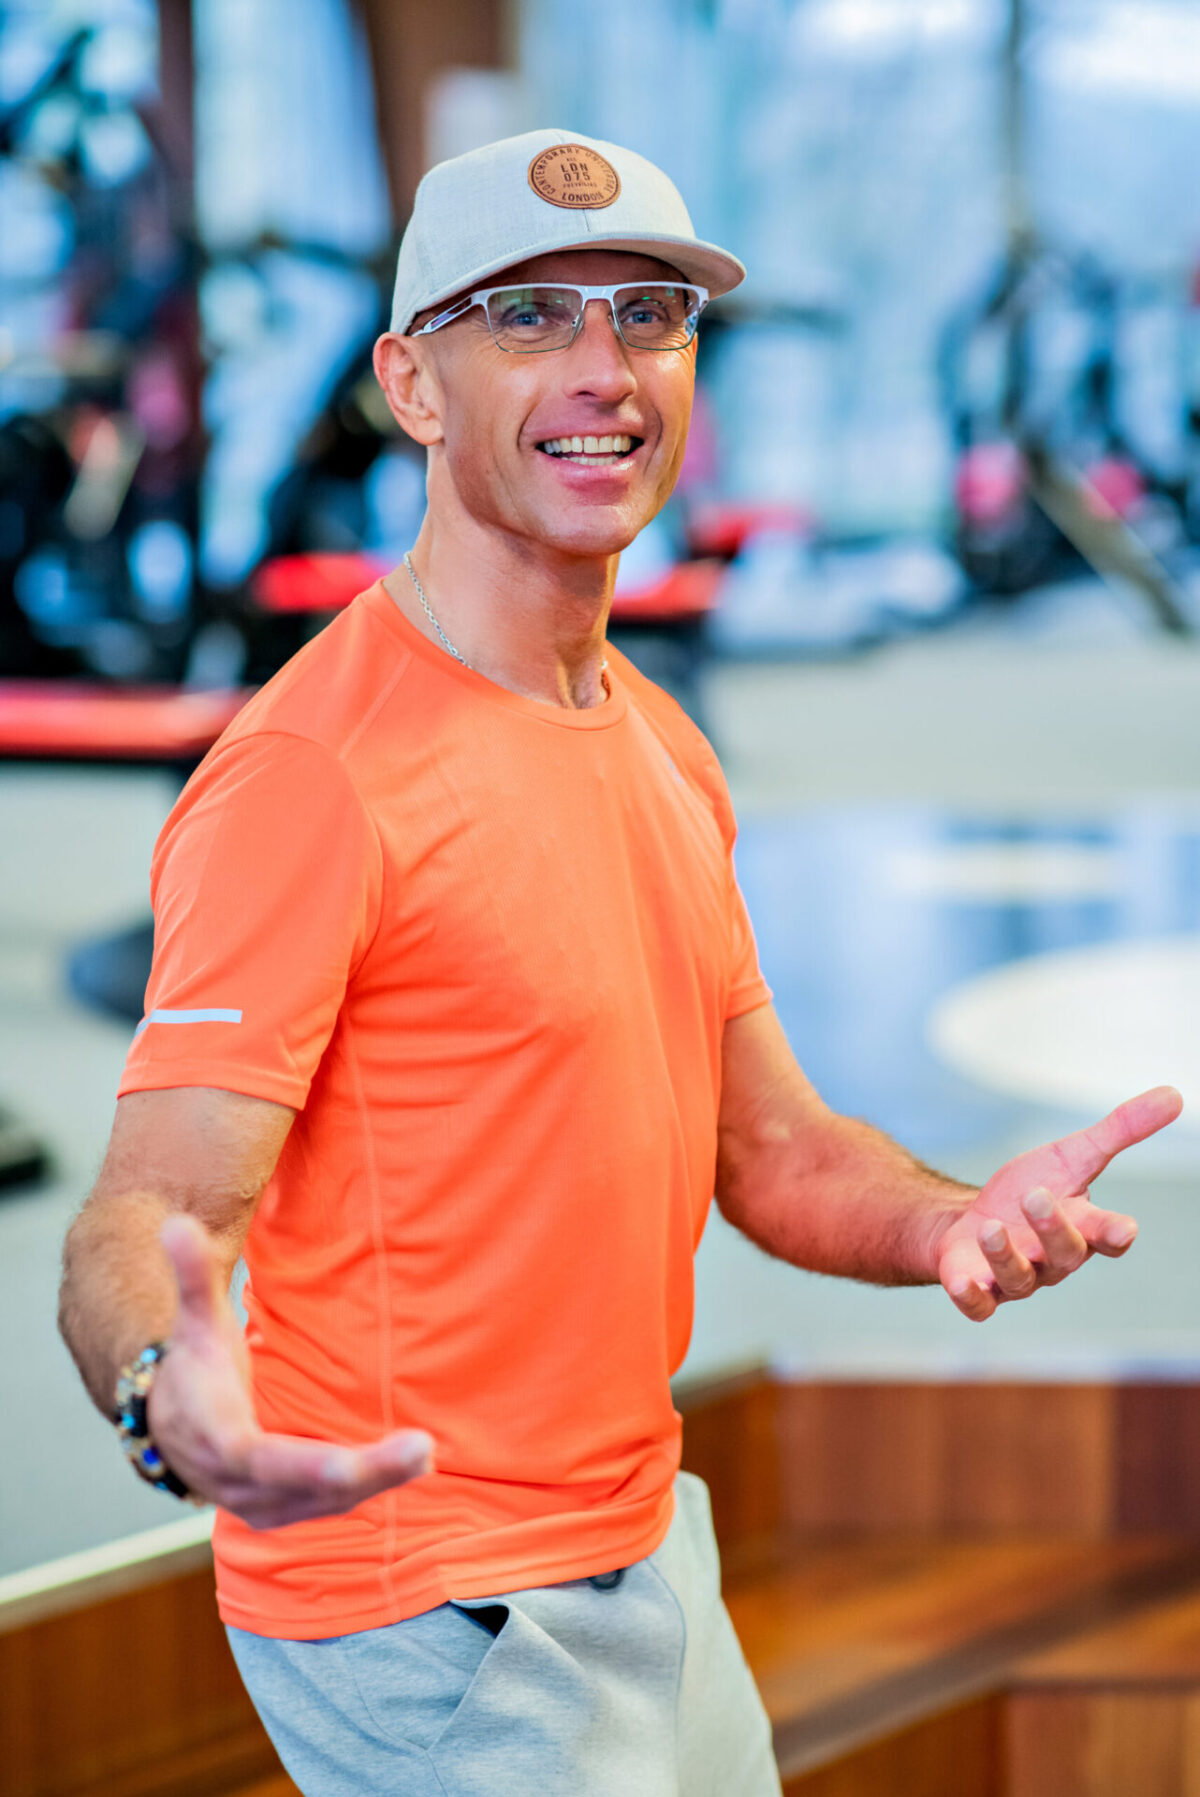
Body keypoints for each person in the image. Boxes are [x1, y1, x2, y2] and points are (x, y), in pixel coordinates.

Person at [58, 129, 1182, 1797]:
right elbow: (145, 1210)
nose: (604, 369)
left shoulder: (659, 743)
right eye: (528, 316)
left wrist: (951, 1218)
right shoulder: (313, 775)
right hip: (431, 1604)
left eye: (648, 314)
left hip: (641, 1539)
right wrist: (170, 1393)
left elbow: (774, 1148)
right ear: (411, 384)